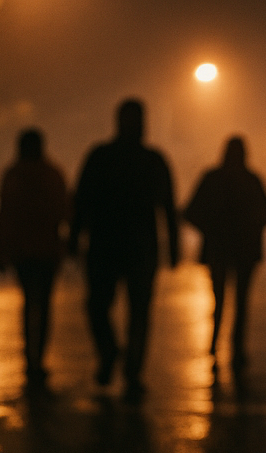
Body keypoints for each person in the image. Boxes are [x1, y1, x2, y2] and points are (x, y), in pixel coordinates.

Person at [70, 99, 179, 396]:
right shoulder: (153, 160)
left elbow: (81, 201)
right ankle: (130, 369)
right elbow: (167, 206)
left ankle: (111, 356)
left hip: (106, 244)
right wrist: (174, 245)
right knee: (137, 312)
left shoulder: (100, 157)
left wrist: (73, 239)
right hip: (139, 245)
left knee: (99, 306)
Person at [183, 136, 266, 372]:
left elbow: (190, 212)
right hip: (245, 250)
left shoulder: (212, 179)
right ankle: (237, 349)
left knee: (219, 298)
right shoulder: (252, 180)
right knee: (241, 301)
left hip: (218, 249)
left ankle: (214, 344)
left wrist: (210, 228)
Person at [0, 128, 70, 389]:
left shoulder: (13, 176)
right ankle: (39, 358)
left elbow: (3, 215)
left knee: (29, 304)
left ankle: (30, 357)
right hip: (47, 251)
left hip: (23, 252)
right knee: (44, 305)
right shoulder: (52, 174)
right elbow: (65, 211)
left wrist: (0, 250)